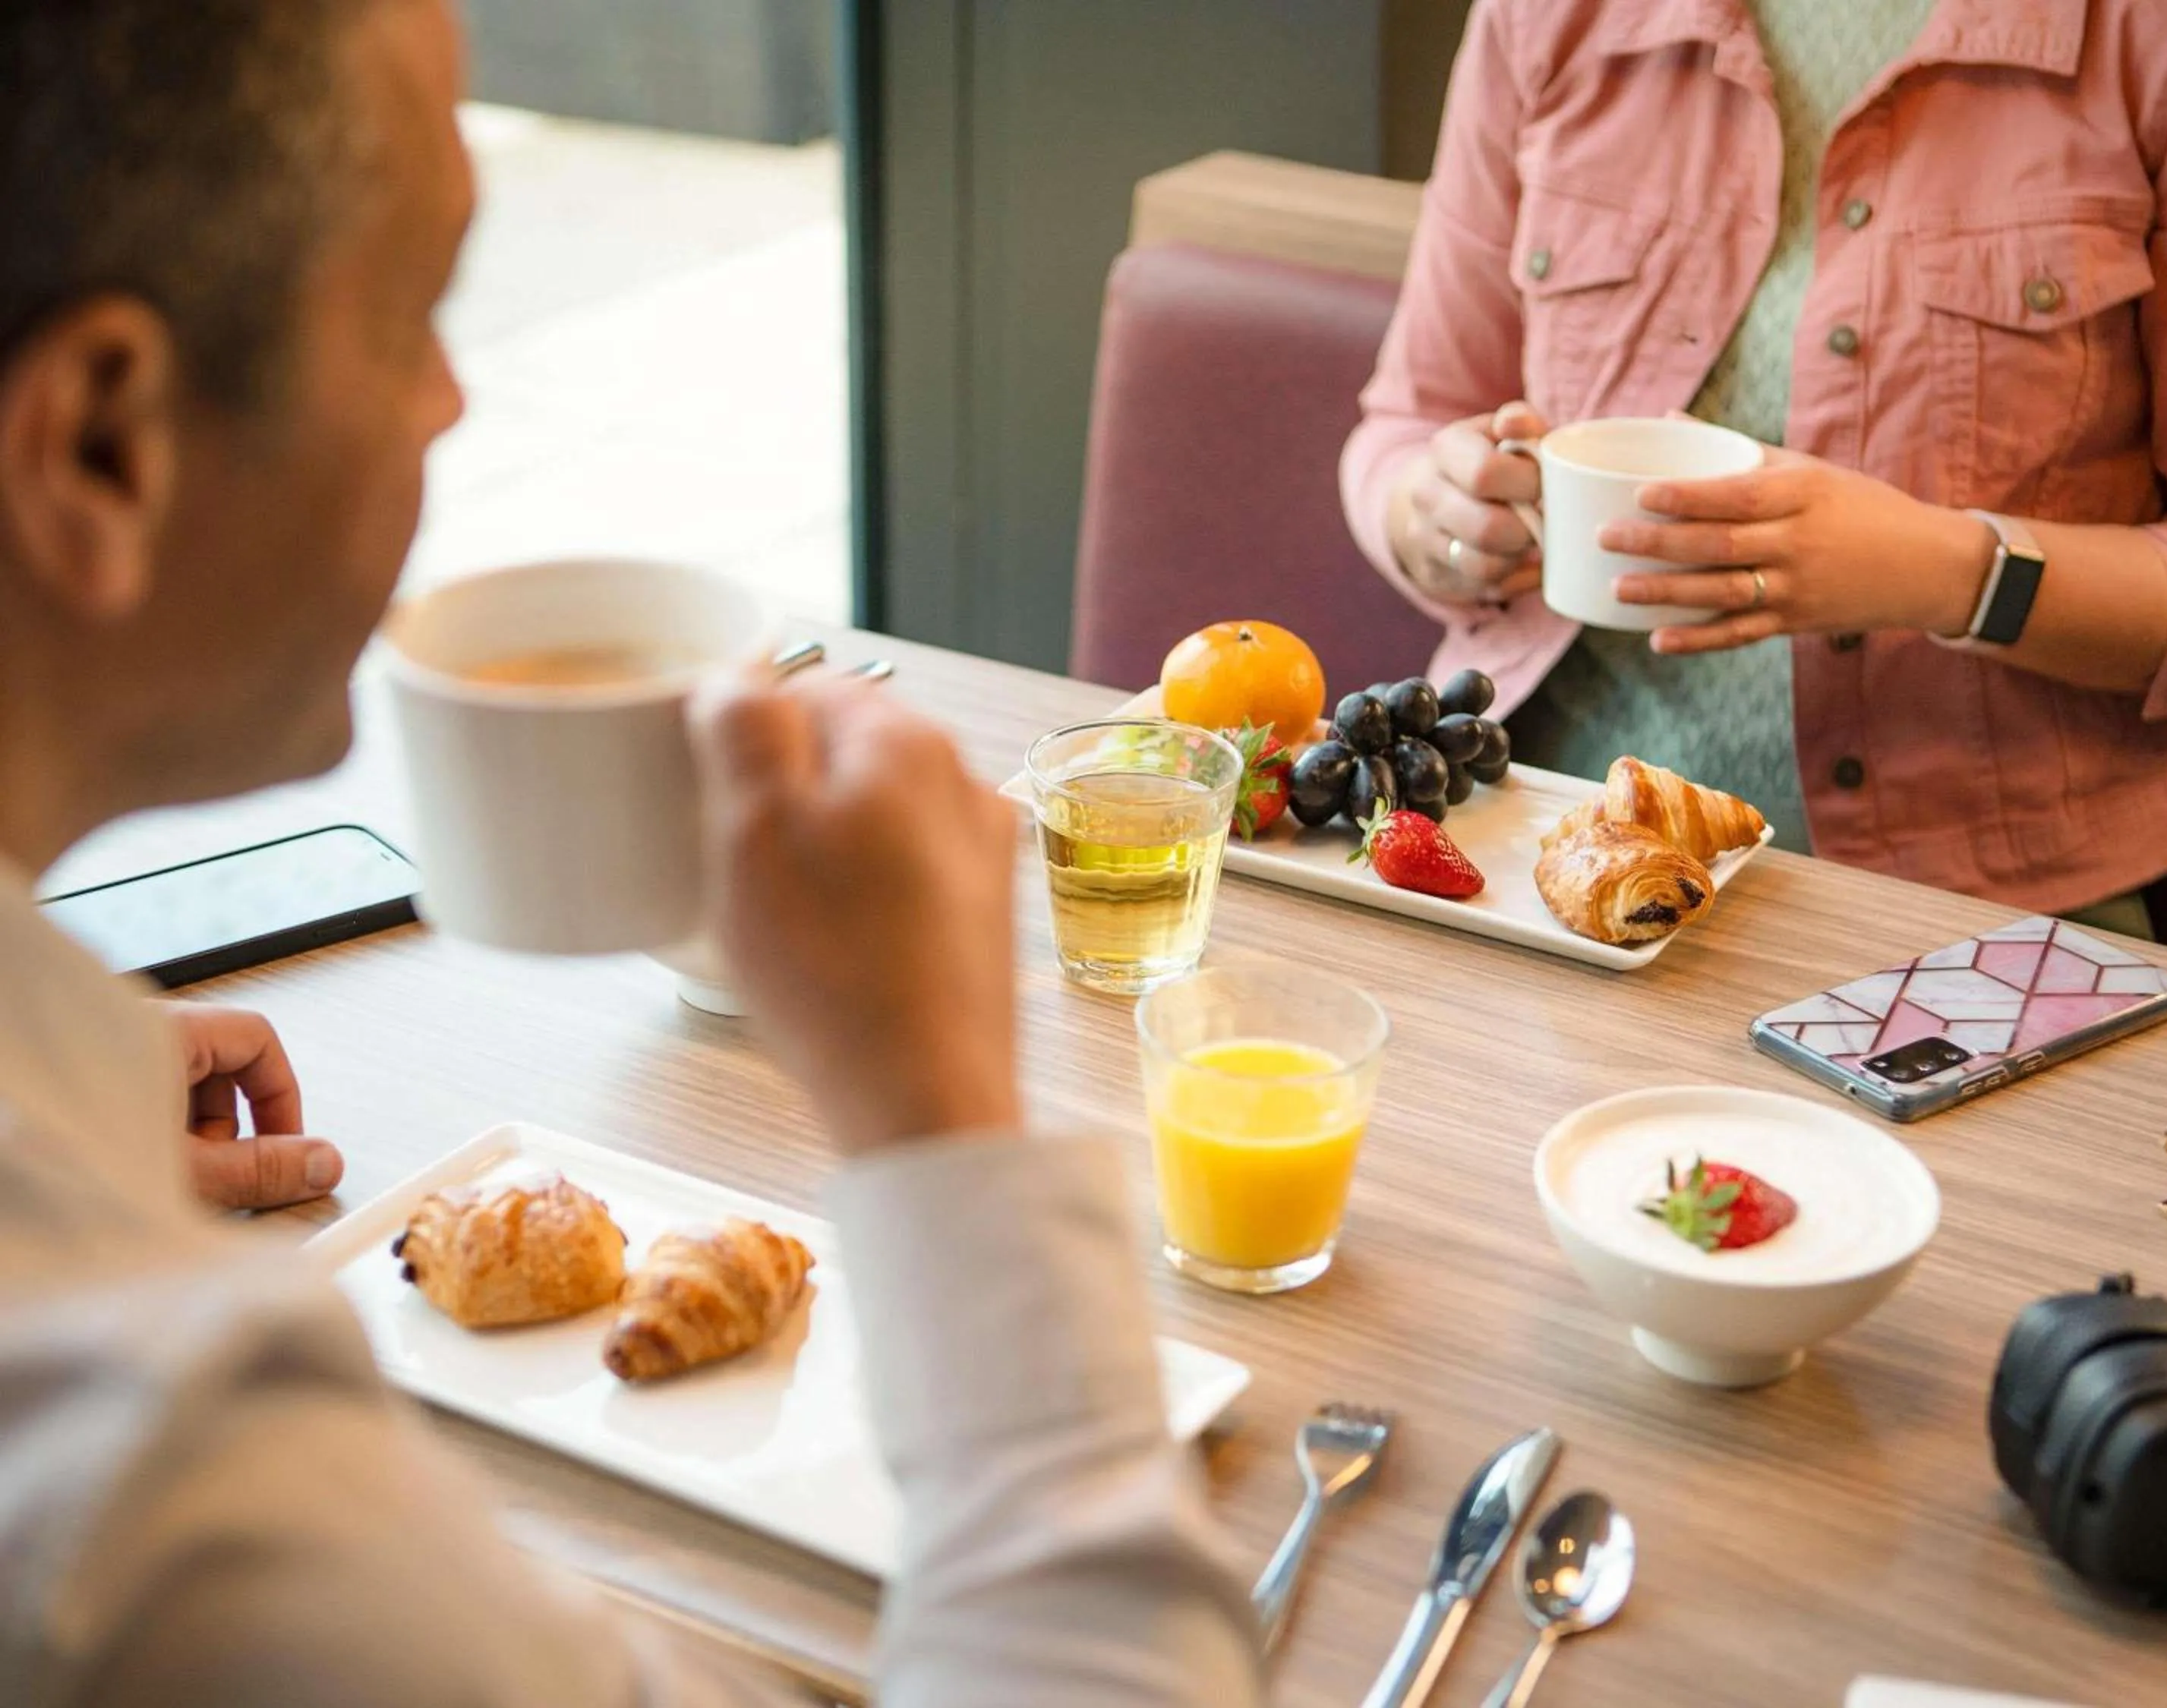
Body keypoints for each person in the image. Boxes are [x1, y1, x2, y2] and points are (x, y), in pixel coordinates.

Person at [0, 3, 1261, 1704]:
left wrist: (47, 1105)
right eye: (414, 314)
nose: (452, 402)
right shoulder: (157, 1479)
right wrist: (947, 1127)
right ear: (99, 446)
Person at [1342, 0, 2167, 931]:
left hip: (1980, 912)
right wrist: (1430, 515)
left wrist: (1954, 576)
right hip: (1536, 842)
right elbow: (1406, 425)